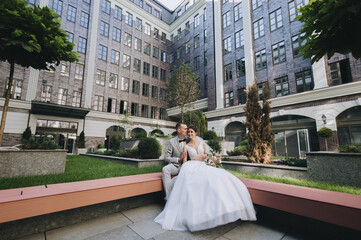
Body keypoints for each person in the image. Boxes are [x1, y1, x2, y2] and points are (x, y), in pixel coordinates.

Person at [155, 125, 256, 232]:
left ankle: (224, 209)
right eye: (188, 132)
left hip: (202, 165)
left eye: (191, 132)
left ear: (196, 133)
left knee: (220, 177)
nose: (189, 134)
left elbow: (207, 155)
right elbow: (184, 162)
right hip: (190, 166)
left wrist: (205, 158)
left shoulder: (202, 144)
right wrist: (194, 160)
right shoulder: (186, 146)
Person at [162, 123, 207, 200]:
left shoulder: (190, 138)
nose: (187, 131)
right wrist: (179, 159)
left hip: (189, 165)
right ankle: (169, 197)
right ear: (179, 130)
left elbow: (202, 151)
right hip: (176, 165)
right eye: (185, 129)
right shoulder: (171, 142)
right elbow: (166, 158)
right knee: (165, 169)